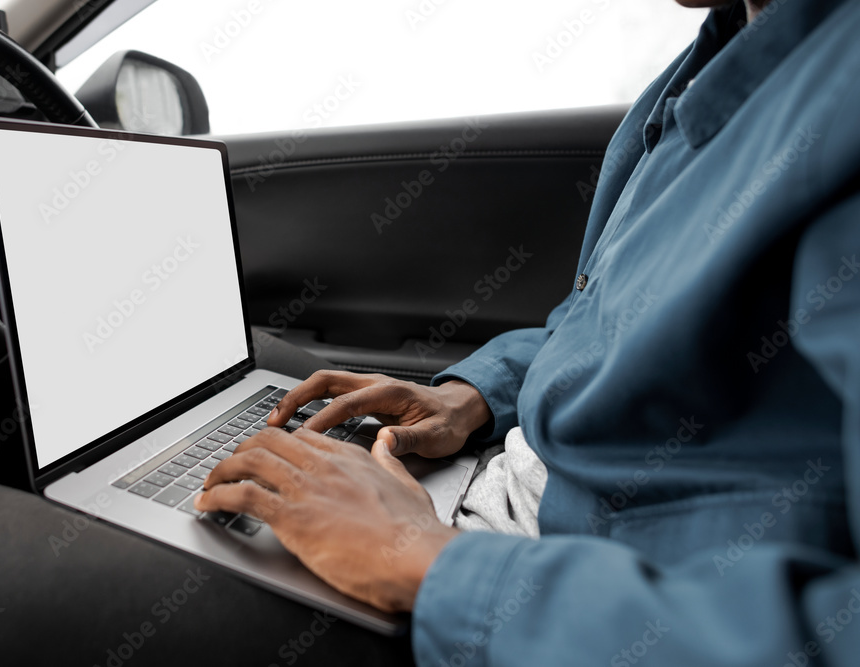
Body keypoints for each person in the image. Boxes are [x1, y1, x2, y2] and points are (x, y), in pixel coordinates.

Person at [192, 0, 860, 664]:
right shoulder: (714, 53)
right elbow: (600, 319)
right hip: (493, 512)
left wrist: (432, 567)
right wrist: (475, 396)